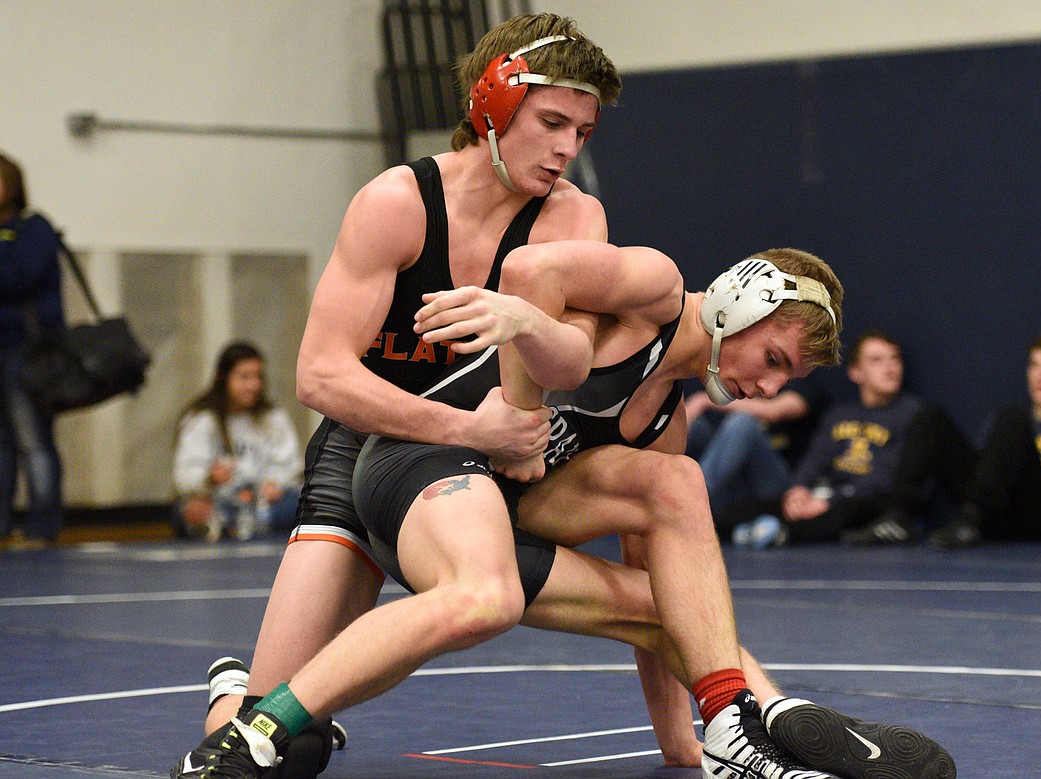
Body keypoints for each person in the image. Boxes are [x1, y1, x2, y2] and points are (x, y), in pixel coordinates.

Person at [171, 16, 952, 779]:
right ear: (493, 107)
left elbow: (576, 373)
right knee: (281, 735)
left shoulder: (578, 218)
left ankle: (752, 724)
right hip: (378, 442)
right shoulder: (399, 203)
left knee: (647, 549)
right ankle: (241, 694)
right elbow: (319, 377)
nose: (567, 148)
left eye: (583, 132)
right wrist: (491, 420)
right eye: (550, 122)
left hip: (493, 467)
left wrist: (676, 740)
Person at [727, 330, 973, 547]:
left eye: (895, 359)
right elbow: (816, 457)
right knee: (755, 507)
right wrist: (798, 490)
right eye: (877, 360)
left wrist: (831, 501)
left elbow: (889, 477)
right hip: (828, 494)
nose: (890, 367)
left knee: (848, 510)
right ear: (856, 372)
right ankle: (725, 528)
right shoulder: (839, 414)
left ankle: (779, 534)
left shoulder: (913, 414)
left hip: (868, 501)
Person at [929, 333, 1041, 549]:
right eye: (1035, 366)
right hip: (996, 515)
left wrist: (1028, 468)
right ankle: (900, 517)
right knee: (931, 417)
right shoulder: (1002, 421)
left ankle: (974, 519)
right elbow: (984, 475)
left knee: (1014, 419)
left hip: (1040, 522)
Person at [173, 342, 302, 541]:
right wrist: (209, 479)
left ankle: (232, 528)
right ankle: (232, 526)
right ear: (223, 377)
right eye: (244, 377)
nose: (253, 385)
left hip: (265, 504)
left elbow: (291, 466)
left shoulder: (274, 418)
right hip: (221, 502)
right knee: (191, 511)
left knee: (301, 503)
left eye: (257, 376)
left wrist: (274, 484)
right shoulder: (200, 420)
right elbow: (184, 476)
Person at [0, 151, 64, 551]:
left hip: (27, 353)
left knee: (33, 440)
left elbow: (17, 277)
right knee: (0, 443)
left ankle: (42, 527)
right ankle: (2, 525)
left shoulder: (33, 227)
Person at [684, 375, 828, 547]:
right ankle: (659, 491)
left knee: (743, 424)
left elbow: (776, 411)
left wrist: (704, 400)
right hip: (733, 488)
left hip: (776, 487)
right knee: (697, 425)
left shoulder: (803, 386)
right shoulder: (742, 382)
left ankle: (686, 506)